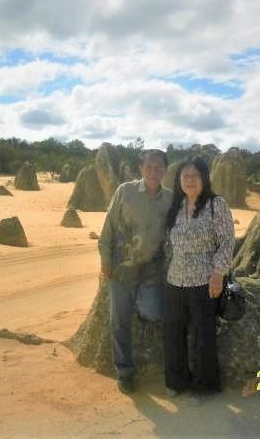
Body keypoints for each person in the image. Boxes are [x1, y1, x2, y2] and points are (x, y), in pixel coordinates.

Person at [99, 149, 173, 394]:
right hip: (122, 266)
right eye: (149, 166)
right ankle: (124, 372)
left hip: (151, 268)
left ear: (165, 170)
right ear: (141, 168)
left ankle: (141, 304)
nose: (154, 171)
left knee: (153, 312)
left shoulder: (170, 198)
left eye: (159, 167)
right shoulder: (125, 191)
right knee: (119, 320)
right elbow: (108, 226)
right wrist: (105, 260)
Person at [163, 156, 234, 398]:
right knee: (173, 331)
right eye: (185, 176)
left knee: (203, 334)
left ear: (204, 178)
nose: (190, 180)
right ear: (179, 180)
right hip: (175, 279)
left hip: (204, 281)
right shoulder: (177, 205)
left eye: (195, 175)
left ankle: (205, 386)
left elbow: (226, 242)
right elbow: (168, 243)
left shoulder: (216, 204)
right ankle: (176, 381)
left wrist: (218, 275)